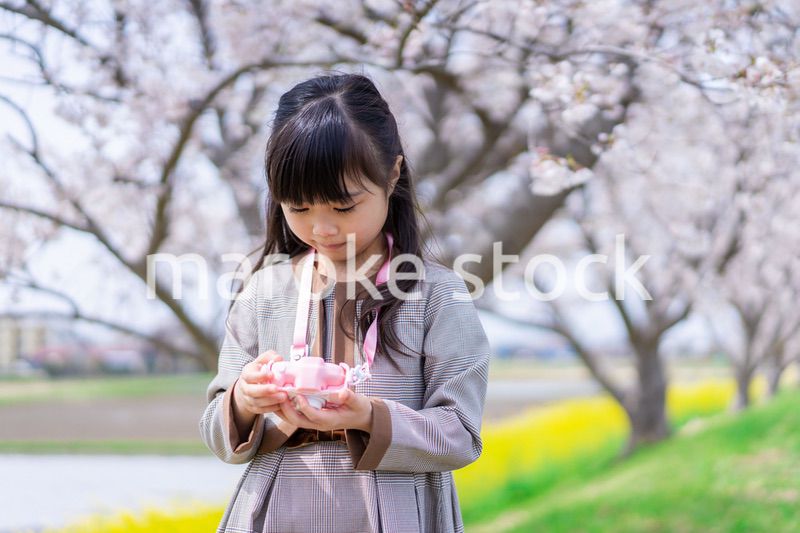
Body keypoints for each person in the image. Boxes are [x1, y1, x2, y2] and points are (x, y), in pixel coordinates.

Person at [199, 72, 491, 533]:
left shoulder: (436, 294)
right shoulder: (263, 293)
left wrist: (369, 416)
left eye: (343, 207)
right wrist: (244, 401)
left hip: (394, 512)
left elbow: (461, 434)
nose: (322, 229)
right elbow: (216, 432)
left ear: (392, 175)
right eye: (298, 208)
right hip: (277, 510)